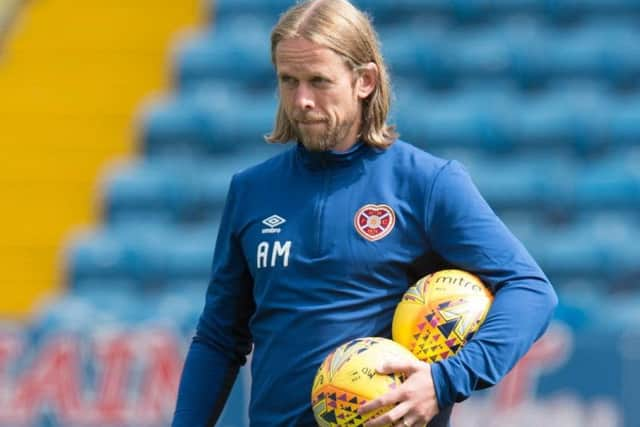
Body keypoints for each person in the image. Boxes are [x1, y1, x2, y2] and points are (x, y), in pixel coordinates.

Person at [171, 0, 558, 426]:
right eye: (288, 80)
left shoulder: (426, 184)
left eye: (319, 81)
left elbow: (530, 290)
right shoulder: (251, 191)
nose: (301, 100)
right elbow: (219, 338)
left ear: (365, 81)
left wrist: (446, 380)